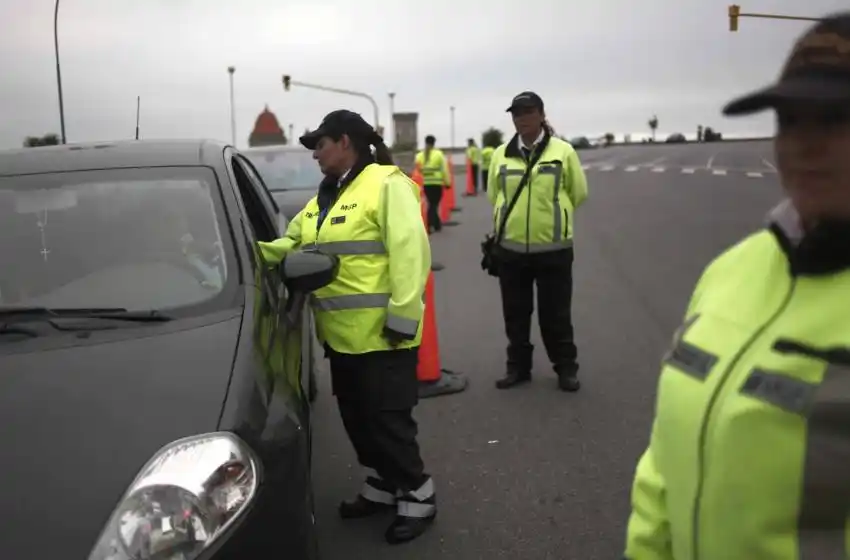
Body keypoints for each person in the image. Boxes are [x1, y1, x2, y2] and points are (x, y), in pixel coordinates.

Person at [624, 12, 850, 560]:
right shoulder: (734, 269)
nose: (805, 144)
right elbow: (666, 455)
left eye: (835, 119)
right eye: (790, 121)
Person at [257, 109, 437, 545]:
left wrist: (403, 316)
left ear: (345, 142)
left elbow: (411, 253)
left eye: (320, 144)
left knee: (388, 422)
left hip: (383, 336)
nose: (315, 154)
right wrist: (249, 255)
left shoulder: (387, 184)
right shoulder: (324, 197)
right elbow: (290, 243)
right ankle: (381, 485)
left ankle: (418, 495)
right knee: (357, 420)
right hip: (340, 337)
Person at [486, 91, 588, 392]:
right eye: (516, 114)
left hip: (554, 250)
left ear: (542, 115)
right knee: (515, 316)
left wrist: (554, 219)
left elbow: (578, 192)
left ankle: (566, 369)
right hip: (511, 250)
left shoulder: (563, 152)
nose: (522, 119)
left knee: (556, 316)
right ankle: (518, 368)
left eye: (528, 112)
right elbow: (496, 195)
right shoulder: (500, 155)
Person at [414, 135, 451, 233]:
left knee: (431, 204)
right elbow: (444, 170)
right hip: (436, 183)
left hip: (425, 184)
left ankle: (436, 224)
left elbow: (417, 171)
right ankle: (430, 224)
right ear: (434, 143)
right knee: (434, 204)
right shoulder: (439, 154)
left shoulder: (419, 156)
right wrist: (447, 182)